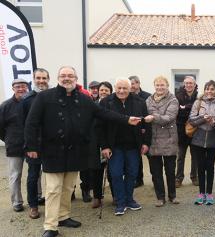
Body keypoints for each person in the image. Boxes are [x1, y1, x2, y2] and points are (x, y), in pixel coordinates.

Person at [24, 66, 142, 237]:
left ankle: (63, 216)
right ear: (58, 78)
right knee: (53, 189)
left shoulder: (83, 98)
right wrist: (31, 146)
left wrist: (126, 119)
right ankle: (50, 226)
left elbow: (104, 113)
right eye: (63, 75)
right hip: (52, 151)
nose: (66, 78)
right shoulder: (44, 97)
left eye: (70, 76)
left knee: (67, 187)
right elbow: (31, 123)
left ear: (76, 78)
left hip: (75, 151)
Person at [98, 78, 151, 215]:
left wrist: (146, 143)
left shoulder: (139, 102)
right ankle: (120, 202)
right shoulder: (106, 102)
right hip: (114, 146)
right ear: (115, 88)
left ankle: (129, 200)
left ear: (130, 88)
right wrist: (104, 146)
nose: (121, 91)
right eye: (119, 88)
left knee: (132, 174)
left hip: (133, 145)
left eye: (125, 88)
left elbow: (146, 124)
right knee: (115, 174)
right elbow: (100, 127)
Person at [189, 80, 215, 205]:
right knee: (200, 167)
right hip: (198, 139)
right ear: (204, 90)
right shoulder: (198, 102)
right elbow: (191, 120)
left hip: (213, 139)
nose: (209, 91)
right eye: (207, 89)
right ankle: (201, 194)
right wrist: (202, 118)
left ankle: (209, 194)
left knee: (210, 167)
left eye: (212, 89)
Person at [144, 76, 180, 207]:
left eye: (162, 85)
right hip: (153, 139)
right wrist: (157, 116)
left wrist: (153, 116)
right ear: (154, 86)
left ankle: (172, 196)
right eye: (157, 85)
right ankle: (160, 197)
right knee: (155, 171)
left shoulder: (173, 100)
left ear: (167, 86)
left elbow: (169, 117)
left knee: (170, 170)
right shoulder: (148, 99)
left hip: (169, 139)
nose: (159, 87)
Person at [22, 68, 50, 219]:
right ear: (33, 79)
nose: (41, 81)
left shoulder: (53, 96)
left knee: (53, 176)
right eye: (38, 78)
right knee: (33, 176)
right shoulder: (27, 100)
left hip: (52, 145)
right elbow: (24, 126)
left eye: (44, 78)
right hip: (34, 146)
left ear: (48, 79)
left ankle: (53, 204)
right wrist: (29, 146)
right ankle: (33, 205)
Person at [0, 78, 29, 212]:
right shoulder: (5, 106)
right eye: (18, 87)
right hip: (14, 146)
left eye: (23, 86)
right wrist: (8, 139)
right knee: (15, 175)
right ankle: (17, 202)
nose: (21, 89)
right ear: (13, 88)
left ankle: (38, 197)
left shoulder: (30, 103)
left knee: (35, 173)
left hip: (31, 145)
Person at [89, 81, 114, 208]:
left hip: (111, 143)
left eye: (106, 90)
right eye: (101, 90)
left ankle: (116, 196)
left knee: (112, 172)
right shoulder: (92, 105)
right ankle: (97, 197)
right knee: (96, 172)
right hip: (95, 143)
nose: (104, 92)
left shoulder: (114, 105)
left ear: (111, 92)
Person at [175, 75, 199, 188]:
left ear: (194, 85)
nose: (189, 85)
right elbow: (178, 111)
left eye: (191, 83)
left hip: (195, 129)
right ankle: (178, 178)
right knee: (180, 156)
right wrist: (188, 108)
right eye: (187, 83)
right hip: (180, 130)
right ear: (184, 85)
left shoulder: (199, 97)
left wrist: (185, 107)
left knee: (195, 156)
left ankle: (194, 177)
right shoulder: (177, 96)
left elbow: (199, 112)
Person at [129, 75, 151, 188]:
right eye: (130, 84)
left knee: (150, 156)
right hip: (134, 130)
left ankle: (155, 179)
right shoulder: (127, 97)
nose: (131, 86)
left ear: (138, 83)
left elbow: (149, 113)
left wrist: (145, 127)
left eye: (133, 83)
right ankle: (139, 179)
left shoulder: (147, 96)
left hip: (146, 129)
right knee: (137, 156)